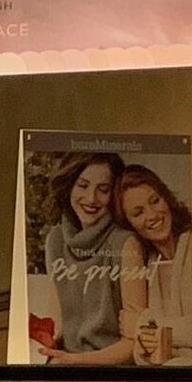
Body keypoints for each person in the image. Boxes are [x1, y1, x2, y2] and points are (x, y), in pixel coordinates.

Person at [36, 153, 130, 363]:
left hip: (112, 367)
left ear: (115, 194)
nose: (91, 198)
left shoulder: (124, 242)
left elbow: (132, 342)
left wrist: (76, 361)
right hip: (67, 364)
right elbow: (58, 323)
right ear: (69, 185)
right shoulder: (56, 239)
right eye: (83, 185)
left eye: (103, 190)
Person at [109, 163, 192, 367]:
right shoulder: (148, 264)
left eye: (155, 201)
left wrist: (143, 325)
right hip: (168, 374)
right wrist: (144, 349)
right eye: (138, 213)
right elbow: (146, 352)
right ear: (129, 224)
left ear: (166, 198)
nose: (152, 215)